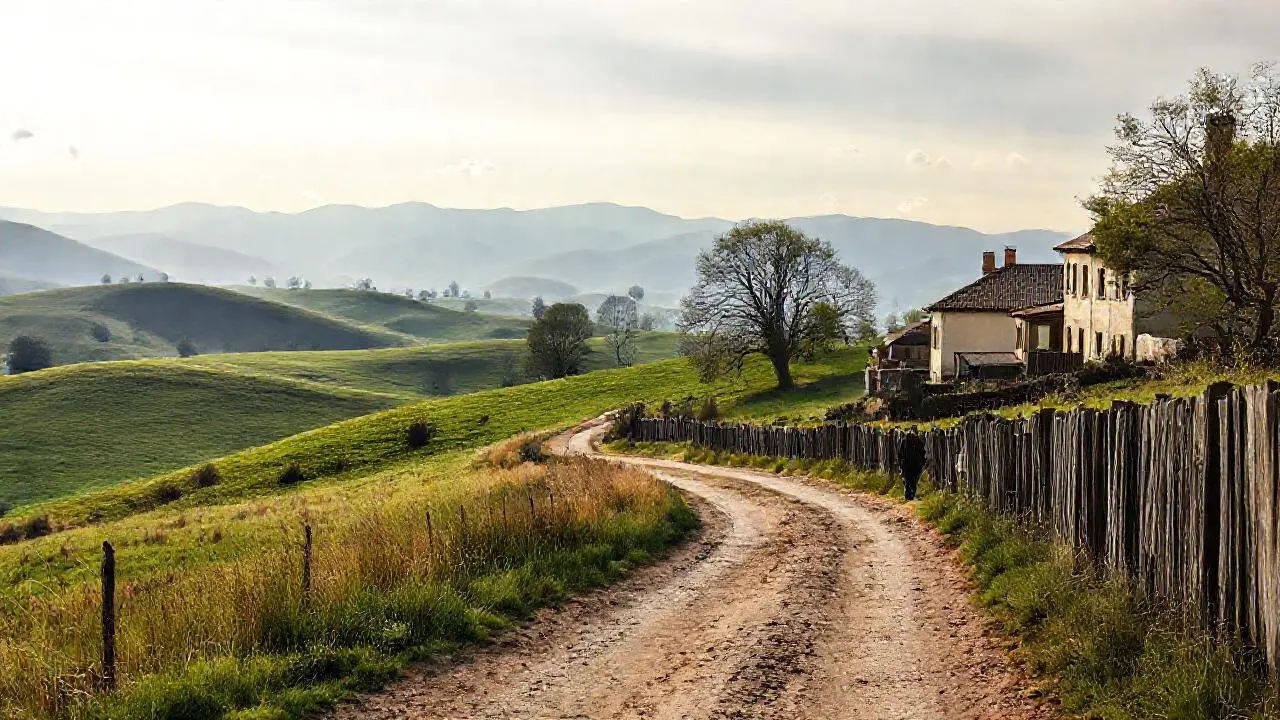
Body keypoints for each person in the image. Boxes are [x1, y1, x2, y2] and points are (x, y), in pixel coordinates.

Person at [898, 430, 926, 501]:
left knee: (908, 480)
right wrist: (922, 463)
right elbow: (922, 452)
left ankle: (909, 495)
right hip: (915, 464)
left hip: (908, 464)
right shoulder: (918, 441)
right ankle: (911, 494)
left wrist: (901, 464)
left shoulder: (905, 441)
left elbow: (900, 454)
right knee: (913, 480)